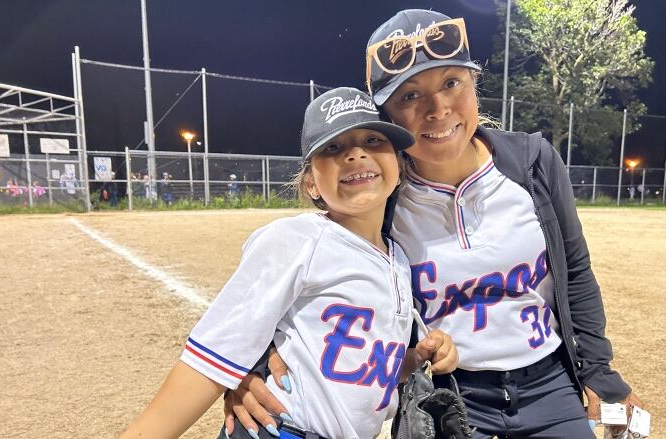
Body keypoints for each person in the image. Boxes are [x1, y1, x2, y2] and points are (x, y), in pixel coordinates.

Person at [230, 9, 643, 439]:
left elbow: (574, 270)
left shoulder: (532, 163)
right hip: (444, 393)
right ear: (386, 117)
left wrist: (597, 370)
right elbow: (308, 275)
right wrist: (251, 362)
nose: (438, 109)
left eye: (451, 83)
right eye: (409, 96)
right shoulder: (381, 194)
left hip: (550, 388)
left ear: (474, 85)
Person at [121, 87, 457, 439]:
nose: (356, 155)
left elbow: (363, 368)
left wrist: (416, 359)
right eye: (333, 148)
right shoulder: (297, 239)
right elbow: (212, 357)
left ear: (399, 167)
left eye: (373, 141)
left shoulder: (399, 259)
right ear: (311, 183)